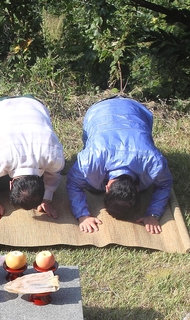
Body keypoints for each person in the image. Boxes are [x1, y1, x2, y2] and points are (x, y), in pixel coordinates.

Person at [67, 96, 173, 234]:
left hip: (135, 110)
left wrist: (153, 214)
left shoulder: (154, 162)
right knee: (91, 187)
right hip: (99, 111)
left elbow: (165, 184)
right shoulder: (90, 159)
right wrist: (82, 214)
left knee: (92, 186)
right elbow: (73, 183)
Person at [0, 96, 65, 222]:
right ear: (11, 183)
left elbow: (54, 174)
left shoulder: (54, 157)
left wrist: (47, 199)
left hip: (33, 105)